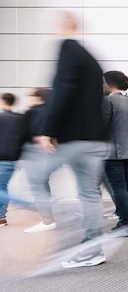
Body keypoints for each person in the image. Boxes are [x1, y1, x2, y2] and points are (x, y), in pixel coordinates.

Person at [30, 11, 109, 269]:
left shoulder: (67, 48)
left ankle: (55, 220)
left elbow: (63, 90)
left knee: (35, 176)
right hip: (95, 138)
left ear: (65, 25)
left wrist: (47, 129)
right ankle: (91, 250)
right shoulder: (91, 58)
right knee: (89, 195)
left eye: (56, 22)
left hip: (74, 138)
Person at [102, 70, 128, 237]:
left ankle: (125, 224)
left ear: (110, 84)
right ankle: (127, 220)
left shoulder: (108, 101)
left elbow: (102, 127)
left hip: (112, 152)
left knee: (118, 188)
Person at [21, 88, 58, 232]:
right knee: (43, 184)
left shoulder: (33, 112)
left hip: (35, 152)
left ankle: (47, 220)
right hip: (51, 153)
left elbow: (24, 133)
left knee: (37, 186)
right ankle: (47, 211)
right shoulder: (53, 112)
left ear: (38, 97)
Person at [0, 93, 25, 227]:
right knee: (2, 187)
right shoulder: (19, 118)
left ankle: (1, 217)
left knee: (1, 188)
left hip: (1, 159)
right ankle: (1, 217)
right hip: (12, 160)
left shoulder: (1, 117)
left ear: (3, 101)